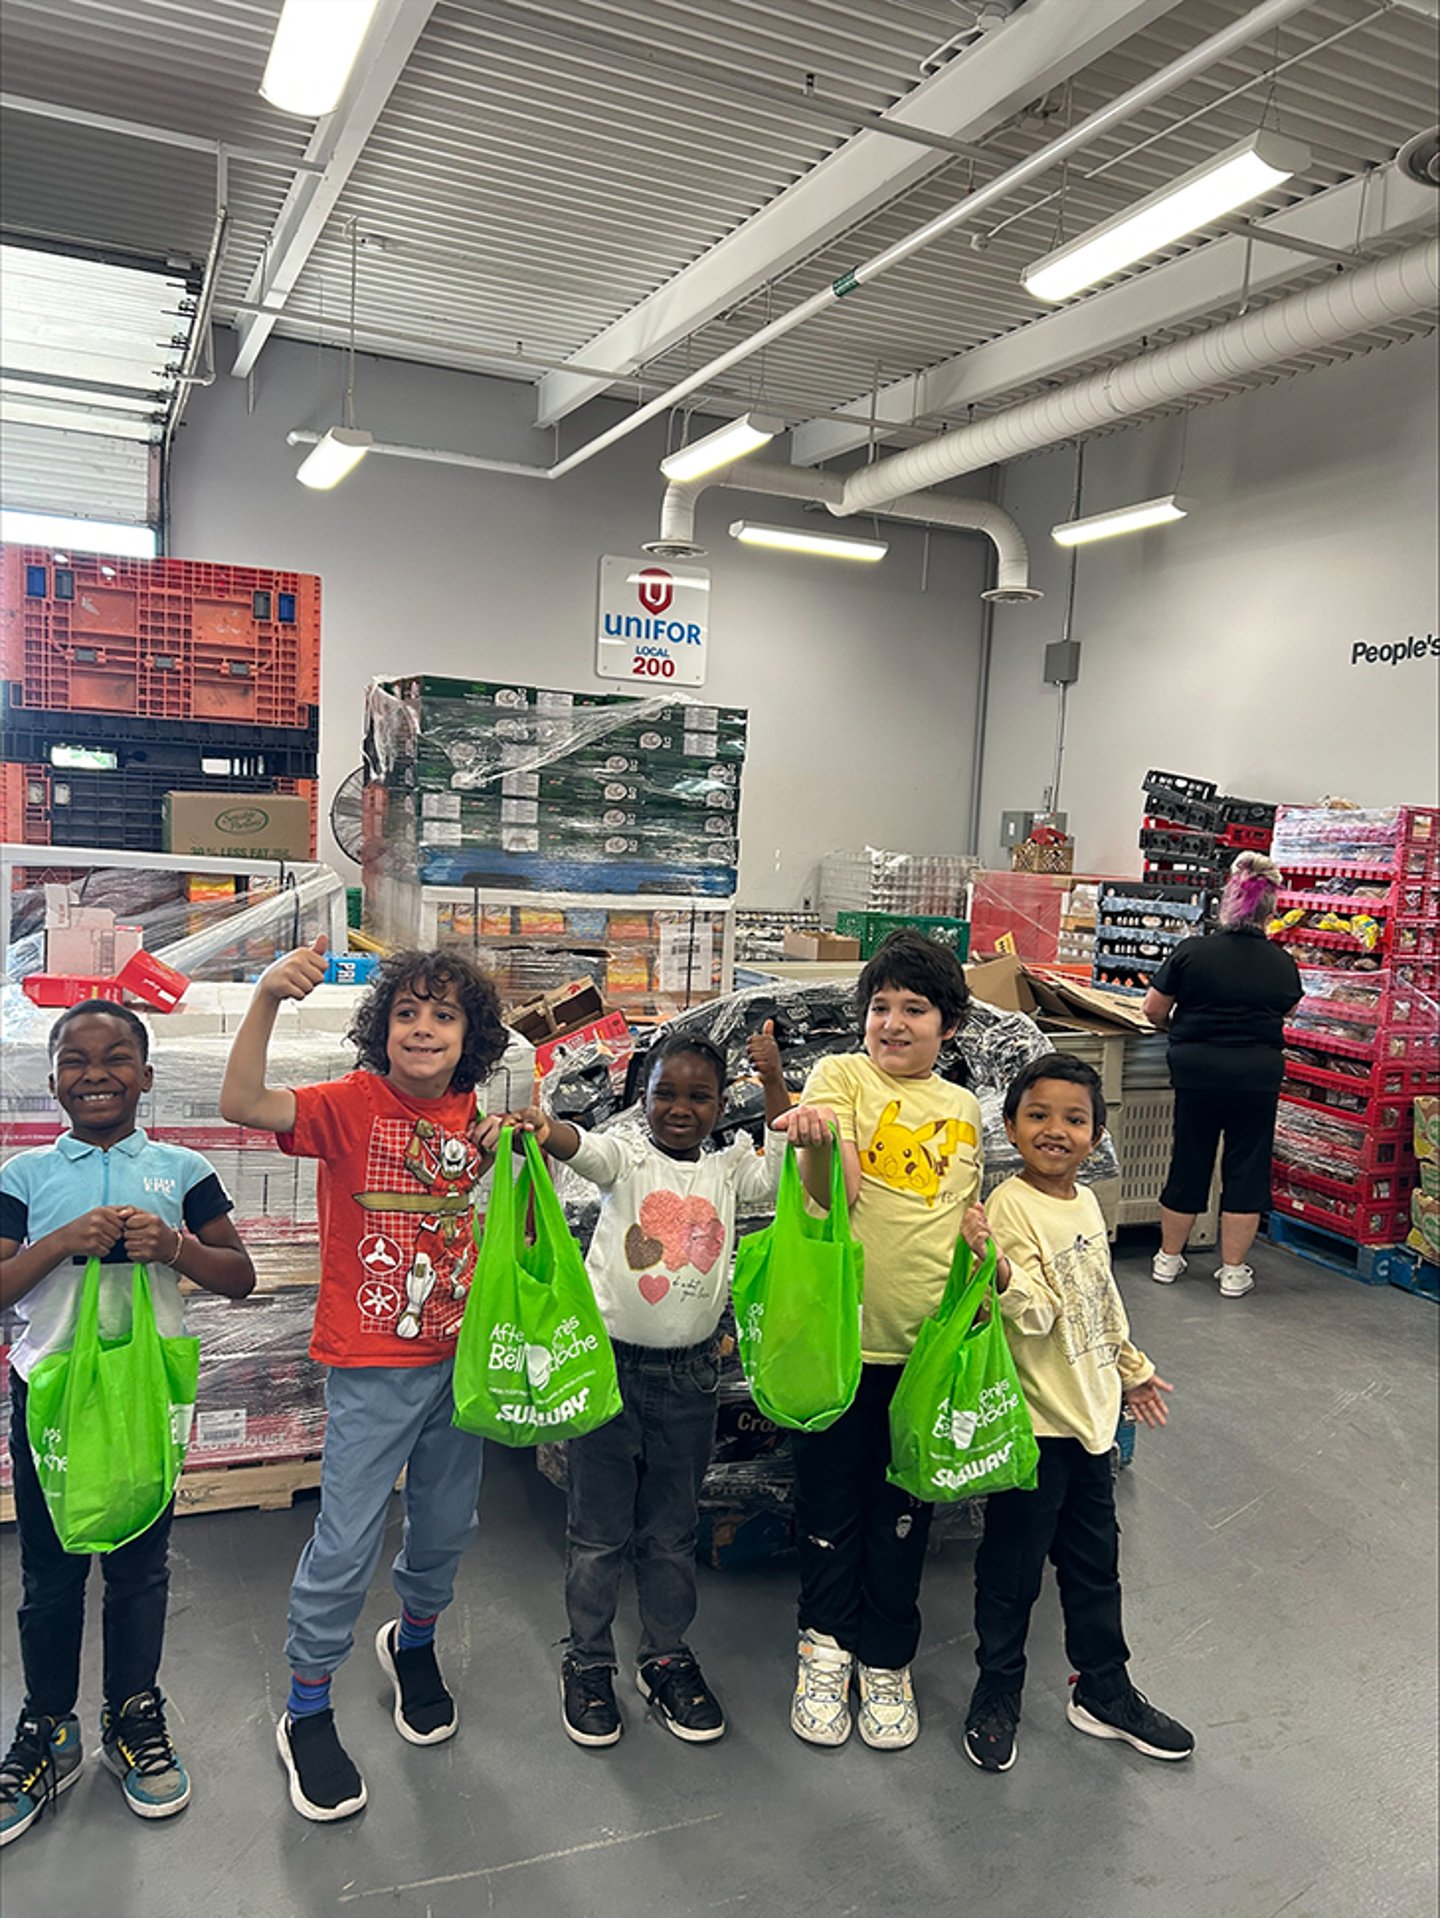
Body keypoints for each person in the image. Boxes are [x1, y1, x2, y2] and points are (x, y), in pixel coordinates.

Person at [220, 937, 509, 1822]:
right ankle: (306, 1706)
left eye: (444, 1015)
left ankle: (411, 1642)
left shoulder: (472, 1114)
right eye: (406, 1013)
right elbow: (240, 1101)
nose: (423, 1028)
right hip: (370, 1367)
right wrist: (268, 996)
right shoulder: (350, 1106)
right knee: (344, 1543)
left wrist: (515, 1139)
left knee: (447, 1529)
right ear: (380, 1029)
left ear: (472, 1037)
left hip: (460, 1367)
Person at [0, 1002, 255, 1846]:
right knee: (51, 1569)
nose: (96, 1073)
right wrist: (61, 1241)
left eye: (116, 1059)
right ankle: (47, 1726)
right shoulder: (24, 1176)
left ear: (148, 1078)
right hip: (53, 1399)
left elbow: (239, 1279)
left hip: (148, 1397)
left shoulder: (182, 1169)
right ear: (52, 1082)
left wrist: (175, 1249)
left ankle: (132, 1713)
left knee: (141, 1569)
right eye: (75, 1060)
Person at [505, 1022, 790, 1748]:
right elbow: (581, 1147)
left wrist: (779, 1081)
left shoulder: (730, 1168)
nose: (682, 1108)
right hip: (611, 1371)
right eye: (666, 1093)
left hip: (691, 1379)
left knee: (671, 1533)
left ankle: (664, 1656)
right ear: (642, 1097)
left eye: (700, 1095)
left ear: (724, 1102)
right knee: (597, 1535)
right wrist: (547, 1127)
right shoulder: (626, 1158)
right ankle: (588, 1660)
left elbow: (785, 1170)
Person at [776, 931, 982, 1752]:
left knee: (905, 1511)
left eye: (915, 1009)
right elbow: (835, 1198)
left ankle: (886, 1657)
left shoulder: (964, 1111)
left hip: (924, 1352)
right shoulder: (840, 1079)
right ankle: (824, 1649)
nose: (892, 1023)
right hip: (839, 1345)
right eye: (880, 1007)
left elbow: (959, 1221)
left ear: (951, 1025)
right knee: (828, 1505)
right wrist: (821, 1142)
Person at [961, 1053, 1192, 1774]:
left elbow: (1099, 1300)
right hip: (1035, 1429)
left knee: (1096, 1568)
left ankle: (1103, 1689)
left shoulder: (1088, 1203)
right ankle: (996, 1691)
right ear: (1010, 1126)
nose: (1055, 1131)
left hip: (1091, 1425)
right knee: (1013, 1570)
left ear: (1097, 1135)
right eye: (1038, 1115)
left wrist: (1133, 1371)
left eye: (1074, 1119)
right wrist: (996, 1268)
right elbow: (1030, 1316)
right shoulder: (1010, 1206)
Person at [1143, 851, 1302, 1299]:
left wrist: (1182, 1030)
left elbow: (1154, 1008)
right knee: (1246, 1168)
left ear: (1225, 902)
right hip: (1257, 1074)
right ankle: (1234, 1271)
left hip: (1197, 1070)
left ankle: (1168, 1260)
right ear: (1270, 910)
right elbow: (1289, 1007)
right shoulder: (1281, 962)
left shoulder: (1193, 952)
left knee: (1189, 1159)